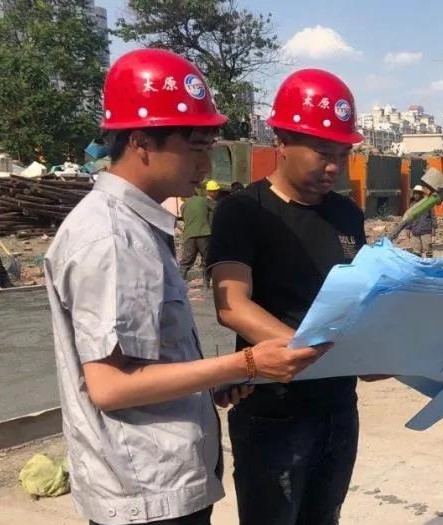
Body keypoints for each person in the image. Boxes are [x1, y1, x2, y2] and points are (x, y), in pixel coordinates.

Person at [43, 49, 326, 525]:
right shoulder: (111, 238)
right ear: (141, 142)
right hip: (144, 494)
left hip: (160, 482)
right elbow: (110, 386)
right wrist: (246, 362)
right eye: (196, 147)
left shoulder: (136, 225)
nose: (206, 165)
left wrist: (212, 379)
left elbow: (147, 362)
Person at [208, 68, 367, 525]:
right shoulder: (244, 211)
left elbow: (359, 297)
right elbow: (231, 305)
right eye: (323, 153)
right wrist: (307, 350)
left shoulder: (346, 215)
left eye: (343, 154)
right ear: (282, 141)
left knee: (324, 516)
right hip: (274, 411)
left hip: (338, 405)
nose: (334, 167)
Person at [179, 180, 219, 287]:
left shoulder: (183, 206)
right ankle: (206, 284)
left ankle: (178, 284)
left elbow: (185, 220)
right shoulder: (204, 201)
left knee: (186, 261)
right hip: (204, 234)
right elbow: (215, 209)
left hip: (189, 236)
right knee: (206, 260)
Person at [405, 184, 437, 257]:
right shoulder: (412, 204)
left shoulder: (427, 203)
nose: (416, 195)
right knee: (416, 252)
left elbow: (433, 217)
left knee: (428, 251)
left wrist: (433, 231)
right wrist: (408, 228)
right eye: (415, 193)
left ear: (421, 194)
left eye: (418, 193)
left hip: (426, 231)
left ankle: (429, 263)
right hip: (415, 231)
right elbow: (409, 217)